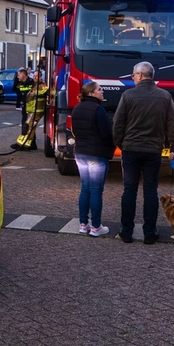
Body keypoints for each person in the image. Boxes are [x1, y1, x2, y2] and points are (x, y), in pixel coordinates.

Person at [112, 62, 174, 244]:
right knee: (150, 190)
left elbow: (118, 123)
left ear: (141, 75)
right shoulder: (164, 96)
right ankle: (149, 233)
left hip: (131, 149)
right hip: (153, 150)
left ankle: (126, 232)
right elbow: (171, 124)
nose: (133, 77)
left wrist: (120, 143)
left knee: (129, 190)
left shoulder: (128, 95)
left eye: (134, 75)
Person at [71, 81, 115, 237]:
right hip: (96, 154)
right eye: (99, 90)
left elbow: (74, 131)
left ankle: (83, 224)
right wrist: (111, 147)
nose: (102, 92)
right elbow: (106, 134)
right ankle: (96, 227)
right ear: (91, 93)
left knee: (85, 188)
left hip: (80, 153)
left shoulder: (76, 108)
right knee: (96, 190)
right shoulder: (98, 110)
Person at [13, 70, 47, 151]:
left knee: (29, 127)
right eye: (34, 76)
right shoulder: (34, 84)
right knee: (28, 126)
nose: (35, 77)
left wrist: (34, 93)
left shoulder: (42, 84)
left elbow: (44, 91)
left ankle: (24, 145)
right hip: (32, 110)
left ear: (41, 77)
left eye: (37, 76)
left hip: (37, 110)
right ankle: (24, 144)